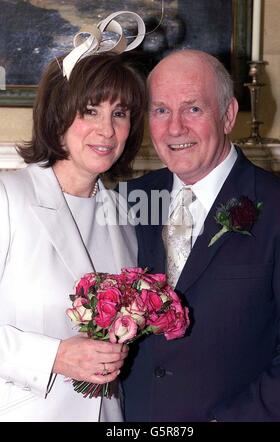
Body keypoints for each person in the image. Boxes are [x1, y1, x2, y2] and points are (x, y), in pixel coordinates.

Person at [122, 49, 280, 421]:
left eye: (193, 108)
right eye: (160, 110)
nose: (174, 128)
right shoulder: (127, 202)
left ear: (228, 115)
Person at [0, 52, 146, 421]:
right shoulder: (8, 196)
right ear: (57, 115)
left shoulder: (125, 215)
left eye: (120, 113)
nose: (107, 130)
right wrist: (54, 357)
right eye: (91, 111)